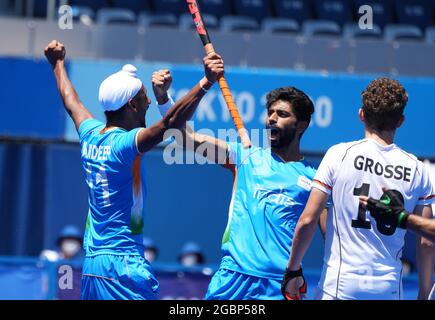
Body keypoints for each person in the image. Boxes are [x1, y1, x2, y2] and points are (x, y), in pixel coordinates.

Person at [44, 40, 224, 300]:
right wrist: (205, 82)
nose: (149, 101)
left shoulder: (90, 133)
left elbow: (70, 100)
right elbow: (171, 123)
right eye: (144, 96)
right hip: (123, 264)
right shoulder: (125, 144)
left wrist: (57, 63)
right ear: (132, 105)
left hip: (93, 266)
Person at [152, 71, 326, 299]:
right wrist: (164, 99)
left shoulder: (316, 179)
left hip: (278, 286)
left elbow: (332, 237)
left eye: (282, 114)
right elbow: (185, 138)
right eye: (270, 113)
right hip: (232, 281)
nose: (272, 118)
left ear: (301, 125)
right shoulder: (244, 156)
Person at [283, 78, 435, 300]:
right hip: (389, 289)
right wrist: (423, 294)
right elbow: (426, 242)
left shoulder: (338, 154)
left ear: (361, 114)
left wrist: (292, 271)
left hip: (339, 287)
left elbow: (307, 221)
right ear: (400, 121)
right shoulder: (418, 169)